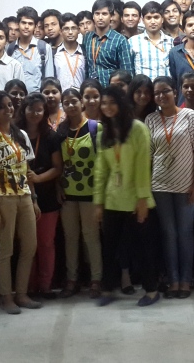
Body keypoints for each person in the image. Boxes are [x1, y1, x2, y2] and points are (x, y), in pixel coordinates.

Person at [94, 87, 159, 307]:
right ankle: (108, 288)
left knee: (143, 249)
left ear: (122, 103)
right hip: (112, 199)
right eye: (104, 103)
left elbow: (143, 166)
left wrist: (142, 199)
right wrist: (98, 202)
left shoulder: (138, 128)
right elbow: (101, 169)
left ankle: (152, 291)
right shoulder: (103, 133)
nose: (107, 107)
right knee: (110, 248)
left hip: (136, 199)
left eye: (112, 102)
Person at [0, 90, 41, 314]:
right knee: (6, 248)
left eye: (10, 105)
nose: (9, 109)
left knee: (30, 246)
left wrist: (34, 198)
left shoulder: (20, 134)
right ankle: (6, 297)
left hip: (24, 195)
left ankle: (21, 293)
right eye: (3, 106)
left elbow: (27, 169)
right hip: (3, 196)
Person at [146, 77, 194, 299]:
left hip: (186, 185)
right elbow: (148, 155)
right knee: (168, 234)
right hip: (159, 184)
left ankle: (186, 280)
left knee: (185, 233)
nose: (161, 96)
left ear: (175, 92)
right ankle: (173, 280)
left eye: (165, 91)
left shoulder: (189, 116)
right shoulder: (151, 119)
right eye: (156, 93)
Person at [57, 87, 102, 298]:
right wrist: (58, 186)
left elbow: (103, 162)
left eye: (74, 101)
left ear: (81, 103)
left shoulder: (95, 128)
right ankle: (71, 279)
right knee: (70, 238)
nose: (71, 105)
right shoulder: (61, 130)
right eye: (66, 103)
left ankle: (96, 279)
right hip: (68, 194)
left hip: (91, 193)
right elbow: (57, 163)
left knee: (91, 237)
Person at [17, 94, 63, 299]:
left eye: (39, 109)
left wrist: (38, 178)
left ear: (44, 112)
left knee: (45, 243)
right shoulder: (15, 135)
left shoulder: (51, 137)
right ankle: (28, 286)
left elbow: (58, 168)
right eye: (31, 109)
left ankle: (45, 285)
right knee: (27, 245)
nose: (35, 113)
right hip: (21, 196)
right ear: (24, 110)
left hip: (47, 196)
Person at [82, 0, 134, 86]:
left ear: (111, 16)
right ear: (93, 16)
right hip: (92, 90)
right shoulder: (87, 38)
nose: (100, 17)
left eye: (104, 14)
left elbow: (127, 73)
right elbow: (86, 66)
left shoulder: (120, 40)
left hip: (112, 90)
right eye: (97, 14)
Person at [7, 6, 54, 92]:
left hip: (37, 98)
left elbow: (49, 81)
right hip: (15, 98)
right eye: (23, 23)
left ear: (35, 26)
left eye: (30, 24)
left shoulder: (44, 48)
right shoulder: (9, 49)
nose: (26, 26)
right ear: (18, 24)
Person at [129, 1, 173, 80]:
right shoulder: (133, 42)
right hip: (142, 87)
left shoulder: (171, 42)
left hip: (165, 87)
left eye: (156, 17)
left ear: (162, 19)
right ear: (143, 20)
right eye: (148, 18)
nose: (153, 22)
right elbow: (129, 69)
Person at [54, 13, 86, 92]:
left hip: (81, 97)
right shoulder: (54, 53)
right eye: (66, 29)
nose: (70, 32)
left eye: (73, 28)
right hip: (61, 97)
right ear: (60, 31)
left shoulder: (85, 52)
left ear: (78, 30)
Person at [169, 9, 194, 105]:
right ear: (183, 29)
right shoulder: (175, 53)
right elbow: (174, 83)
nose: (193, 28)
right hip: (184, 105)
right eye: (190, 25)